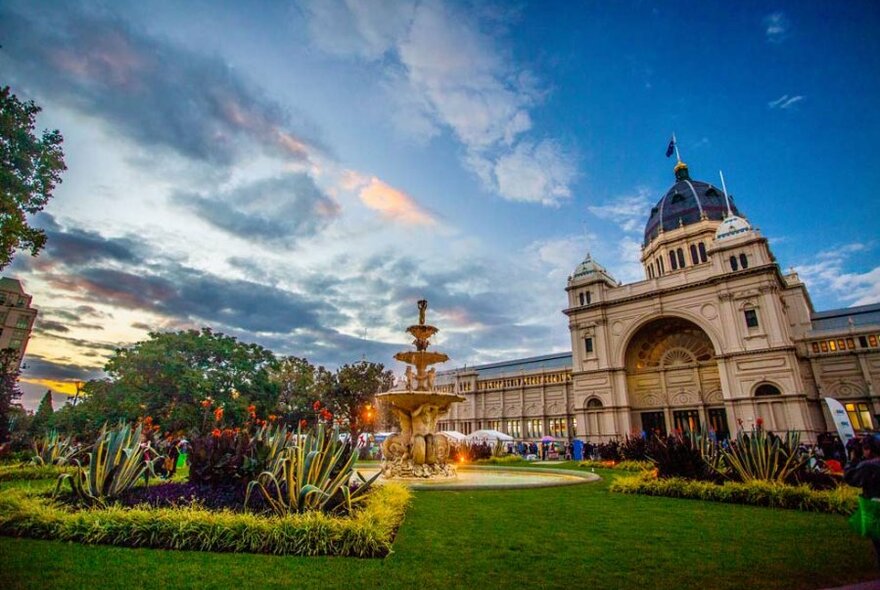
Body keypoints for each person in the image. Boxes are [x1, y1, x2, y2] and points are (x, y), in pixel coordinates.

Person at [845, 434, 880, 566]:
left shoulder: (868, 466)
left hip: (876, 509)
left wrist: (853, 457)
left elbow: (850, 477)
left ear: (869, 449)